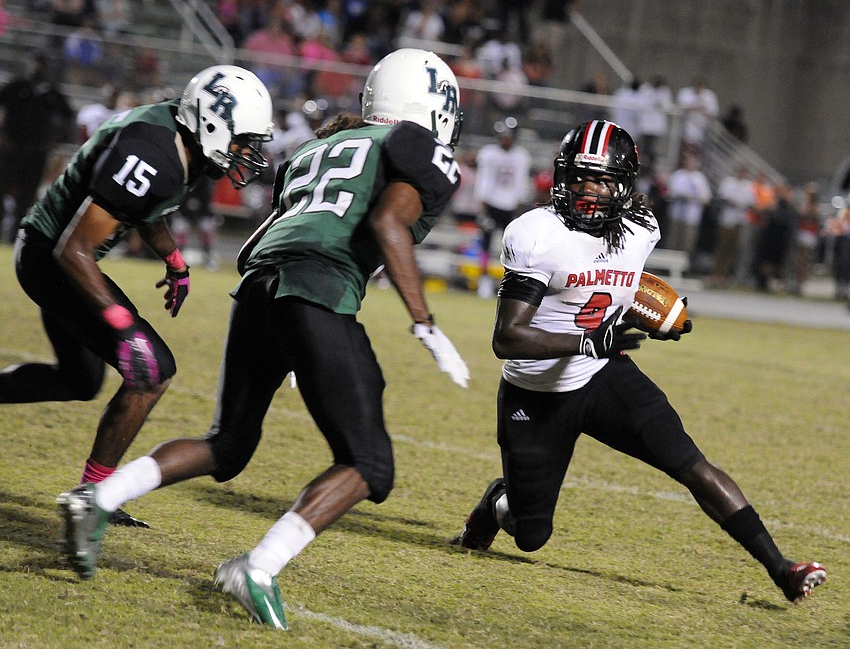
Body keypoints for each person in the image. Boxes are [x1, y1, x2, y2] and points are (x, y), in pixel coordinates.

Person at [56, 48, 469, 630]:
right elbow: (386, 222)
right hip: (315, 293)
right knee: (369, 465)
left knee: (228, 445)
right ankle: (259, 566)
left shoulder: (318, 147)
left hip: (258, 289)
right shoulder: (419, 147)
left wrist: (289, 337)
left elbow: (255, 245)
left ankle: (99, 497)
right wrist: (424, 321)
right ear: (435, 105)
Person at [452, 119, 827, 605]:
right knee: (530, 532)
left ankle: (782, 569)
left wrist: (651, 318)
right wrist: (589, 340)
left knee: (689, 463)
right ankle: (494, 503)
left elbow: (610, 293)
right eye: (579, 177)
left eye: (602, 180)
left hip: (603, 373)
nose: (588, 190)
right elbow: (508, 337)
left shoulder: (640, 228)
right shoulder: (537, 233)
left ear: (624, 185)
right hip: (537, 392)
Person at [2, 65, 274, 528]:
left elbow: (145, 206)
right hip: (54, 258)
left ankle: (91, 491)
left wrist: (174, 259)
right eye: (242, 140)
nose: (246, 153)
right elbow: (75, 248)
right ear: (213, 122)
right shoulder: (152, 150)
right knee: (151, 371)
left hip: (55, 254)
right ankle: (93, 495)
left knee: (78, 381)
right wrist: (120, 322)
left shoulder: (177, 140)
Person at [0, 52, 74, 243]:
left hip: (37, 151)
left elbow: (68, 116)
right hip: (13, 148)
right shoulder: (17, 86)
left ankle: (14, 235)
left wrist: (55, 139)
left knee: (27, 195)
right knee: (2, 187)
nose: (37, 68)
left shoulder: (52, 93)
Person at [473, 117, 532, 297]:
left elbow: (521, 184)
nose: (505, 139)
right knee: (486, 244)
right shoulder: (488, 153)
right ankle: (484, 280)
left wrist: (520, 207)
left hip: (511, 205)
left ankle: (510, 281)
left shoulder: (522, 156)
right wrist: (482, 206)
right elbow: (483, 180)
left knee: (514, 248)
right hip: (491, 203)